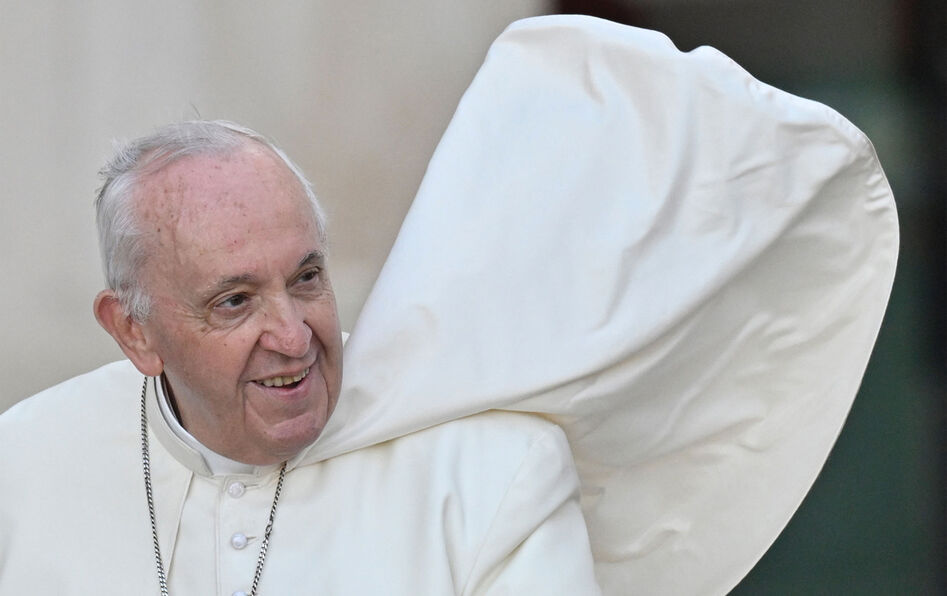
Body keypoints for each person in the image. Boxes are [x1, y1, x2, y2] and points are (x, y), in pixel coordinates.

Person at [0, 15, 898, 595]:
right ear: (135, 331)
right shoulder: (23, 466)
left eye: (305, 278)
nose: (293, 336)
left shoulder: (489, 476)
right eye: (234, 302)